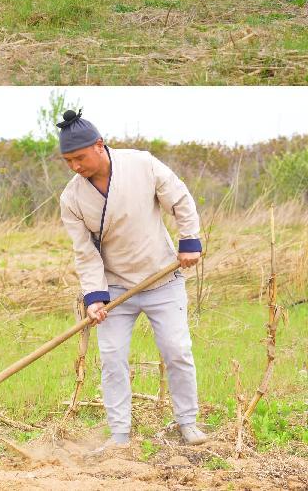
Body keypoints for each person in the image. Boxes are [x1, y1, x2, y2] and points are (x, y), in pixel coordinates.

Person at [56, 109, 208, 450]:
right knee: (112, 358)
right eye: (68, 161)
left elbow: (181, 201)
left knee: (177, 350)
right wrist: (94, 297)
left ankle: (188, 423)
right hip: (114, 289)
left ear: (99, 145)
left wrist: (189, 242)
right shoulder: (72, 198)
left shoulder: (142, 164)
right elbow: (84, 252)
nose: (75, 167)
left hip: (162, 277)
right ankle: (120, 435)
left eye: (79, 158)